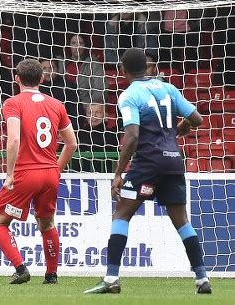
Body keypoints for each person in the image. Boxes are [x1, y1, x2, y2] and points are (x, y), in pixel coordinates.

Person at [83, 48, 211, 294]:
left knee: (121, 215)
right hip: (174, 161)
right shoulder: (168, 88)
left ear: (122, 70)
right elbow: (197, 119)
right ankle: (202, 279)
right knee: (182, 222)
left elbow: (132, 136)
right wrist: (181, 126)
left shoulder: (129, 95)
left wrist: (118, 173)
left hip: (147, 164)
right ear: (148, 67)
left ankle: (110, 279)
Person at [0, 59, 77, 285]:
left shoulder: (12, 103)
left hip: (25, 173)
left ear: (16, 78)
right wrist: (55, 170)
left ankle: (21, 269)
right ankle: (51, 275)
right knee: (47, 222)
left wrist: (10, 173)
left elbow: (14, 139)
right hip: (49, 173)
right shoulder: (57, 104)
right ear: (41, 79)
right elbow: (72, 144)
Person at [64, 34, 107, 105]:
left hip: (88, 108)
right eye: (74, 43)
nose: (77, 46)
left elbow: (100, 89)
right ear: (68, 46)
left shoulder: (93, 64)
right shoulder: (63, 64)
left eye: (81, 43)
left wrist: (89, 107)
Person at [40, 58, 80, 131]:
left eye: (52, 68)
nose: (48, 71)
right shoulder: (35, 87)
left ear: (57, 69)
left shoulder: (68, 86)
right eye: (44, 68)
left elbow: (75, 111)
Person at [77, 103, 118, 173]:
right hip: (83, 175)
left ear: (104, 115)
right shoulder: (80, 134)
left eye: (97, 112)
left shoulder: (111, 134)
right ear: (86, 115)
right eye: (90, 113)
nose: (93, 116)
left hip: (104, 175)